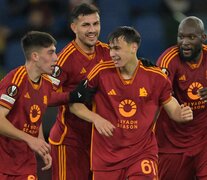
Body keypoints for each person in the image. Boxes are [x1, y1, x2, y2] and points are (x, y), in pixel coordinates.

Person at [69, 26, 193, 180]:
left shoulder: (156, 77)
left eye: (117, 49)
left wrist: (181, 114)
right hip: (106, 159)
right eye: (111, 49)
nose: (112, 54)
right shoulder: (100, 72)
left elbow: (171, 106)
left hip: (141, 154)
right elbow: (74, 104)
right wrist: (96, 119)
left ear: (133, 47)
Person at [48, 3, 111, 180]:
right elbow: (44, 96)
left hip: (99, 141)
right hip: (70, 142)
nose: (92, 30)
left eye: (96, 24)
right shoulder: (65, 59)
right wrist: (71, 96)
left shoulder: (107, 52)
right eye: (86, 25)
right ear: (73, 27)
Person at [155, 16, 207, 179]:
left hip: (203, 138)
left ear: (203, 38)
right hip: (172, 141)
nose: (184, 42)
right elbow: (159, 95)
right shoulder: (168, 60)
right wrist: (177, 111)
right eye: (181, 36)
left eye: (191, 37)